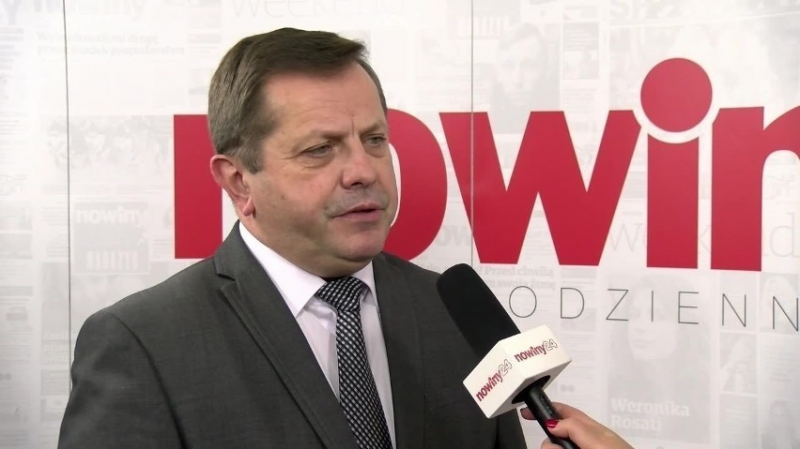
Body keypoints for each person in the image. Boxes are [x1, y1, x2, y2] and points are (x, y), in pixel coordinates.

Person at [57, 27, 633, 449]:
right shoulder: (142, 344)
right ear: (238, 182)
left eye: (375, 140)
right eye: (320, 149)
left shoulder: (453, 314)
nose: (363, 170)